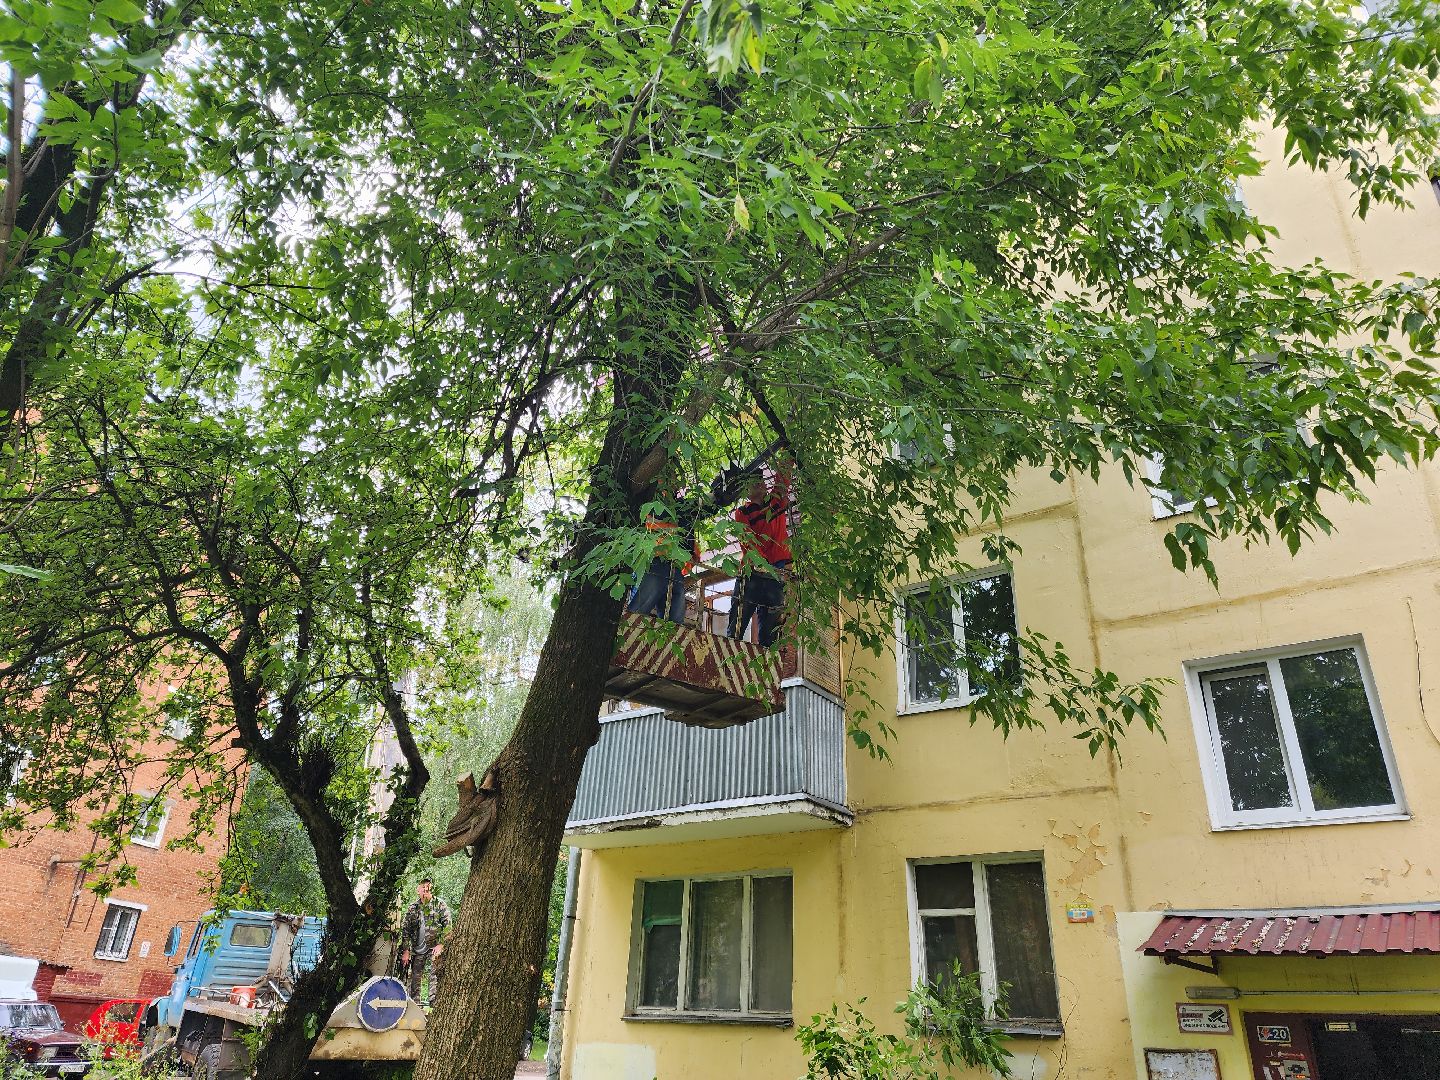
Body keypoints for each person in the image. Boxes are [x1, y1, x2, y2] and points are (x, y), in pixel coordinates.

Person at [727, 460, 792, 647]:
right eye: (753, 482)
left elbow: (782, 480)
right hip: (753, 574)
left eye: (761, 480)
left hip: (775, 572)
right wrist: (763, 564)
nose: (759, 483)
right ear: (746, 490)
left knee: (771, 631)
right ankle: (730, 655)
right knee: (737, 623)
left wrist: (789, 456)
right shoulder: (742, 512)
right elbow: (748, 542)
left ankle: (767, 665)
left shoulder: (775, 502)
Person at [630, 490, 702, 625]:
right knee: (637, 613)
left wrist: (693, 553)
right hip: (654, 563)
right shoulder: (651, 502)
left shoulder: (681, 508)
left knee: (674, 621)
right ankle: (625, 635)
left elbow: (688, 540)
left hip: (674, 567)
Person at [398, 878, 451, 1004]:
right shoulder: (413, 908)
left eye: (428, 888)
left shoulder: (439, 904)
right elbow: (406, 930)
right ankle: (414, 1004)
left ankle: (434, 1003)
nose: (426, 890)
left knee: (435, 975)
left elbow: (448, 926)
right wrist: (406, 951)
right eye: (423, 888)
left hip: (434, 947)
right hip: (418, 948)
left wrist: (441, 944)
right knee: (415, 977)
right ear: (418, 890)